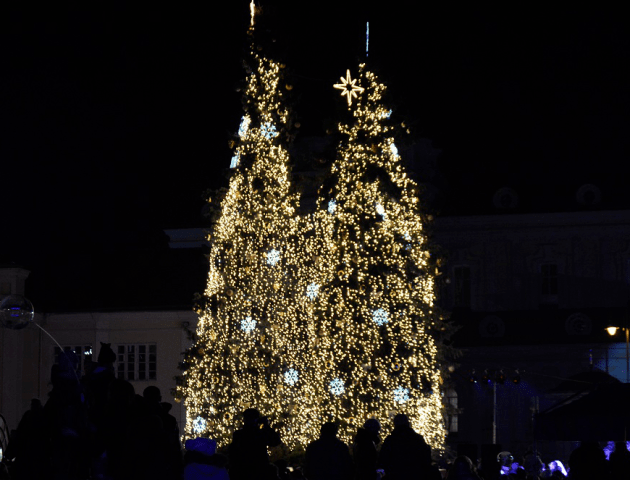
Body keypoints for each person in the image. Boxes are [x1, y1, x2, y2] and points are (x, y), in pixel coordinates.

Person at [228, 408, 281, 480]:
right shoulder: (260, 434)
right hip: (259, 470)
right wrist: (266, 426)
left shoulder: (239, 434)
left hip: (243, 471)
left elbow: (232, 452)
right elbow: (275, 441)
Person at [378, 413, 433, 480]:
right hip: (415, 475)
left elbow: (383, 459)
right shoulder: (417, 439)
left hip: (395, 475)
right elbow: (426, 458)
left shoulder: (391, 440)